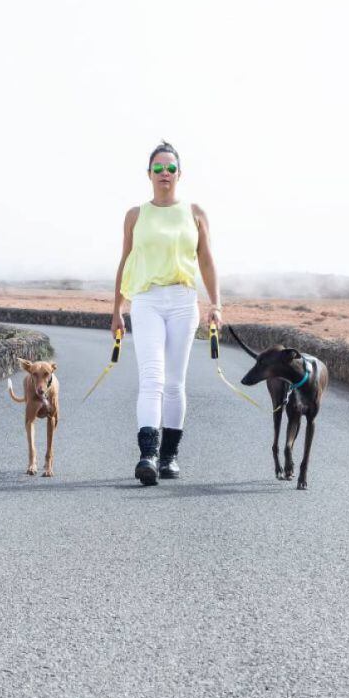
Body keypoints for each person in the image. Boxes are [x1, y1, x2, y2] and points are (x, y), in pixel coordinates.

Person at [111, 140, 222, 486]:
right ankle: (148, 454)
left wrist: (216, 304)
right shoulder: (135, 215)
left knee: (174, 382)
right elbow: (125, 261)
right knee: (152, 379)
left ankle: (170, 457)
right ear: (148, 174)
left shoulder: (195, 213)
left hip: (182, 301)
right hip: (146, 301)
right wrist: (116, 308)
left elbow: (206, 260)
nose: (164, 173)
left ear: (179, 173)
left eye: (170, 168)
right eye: (157, 168)